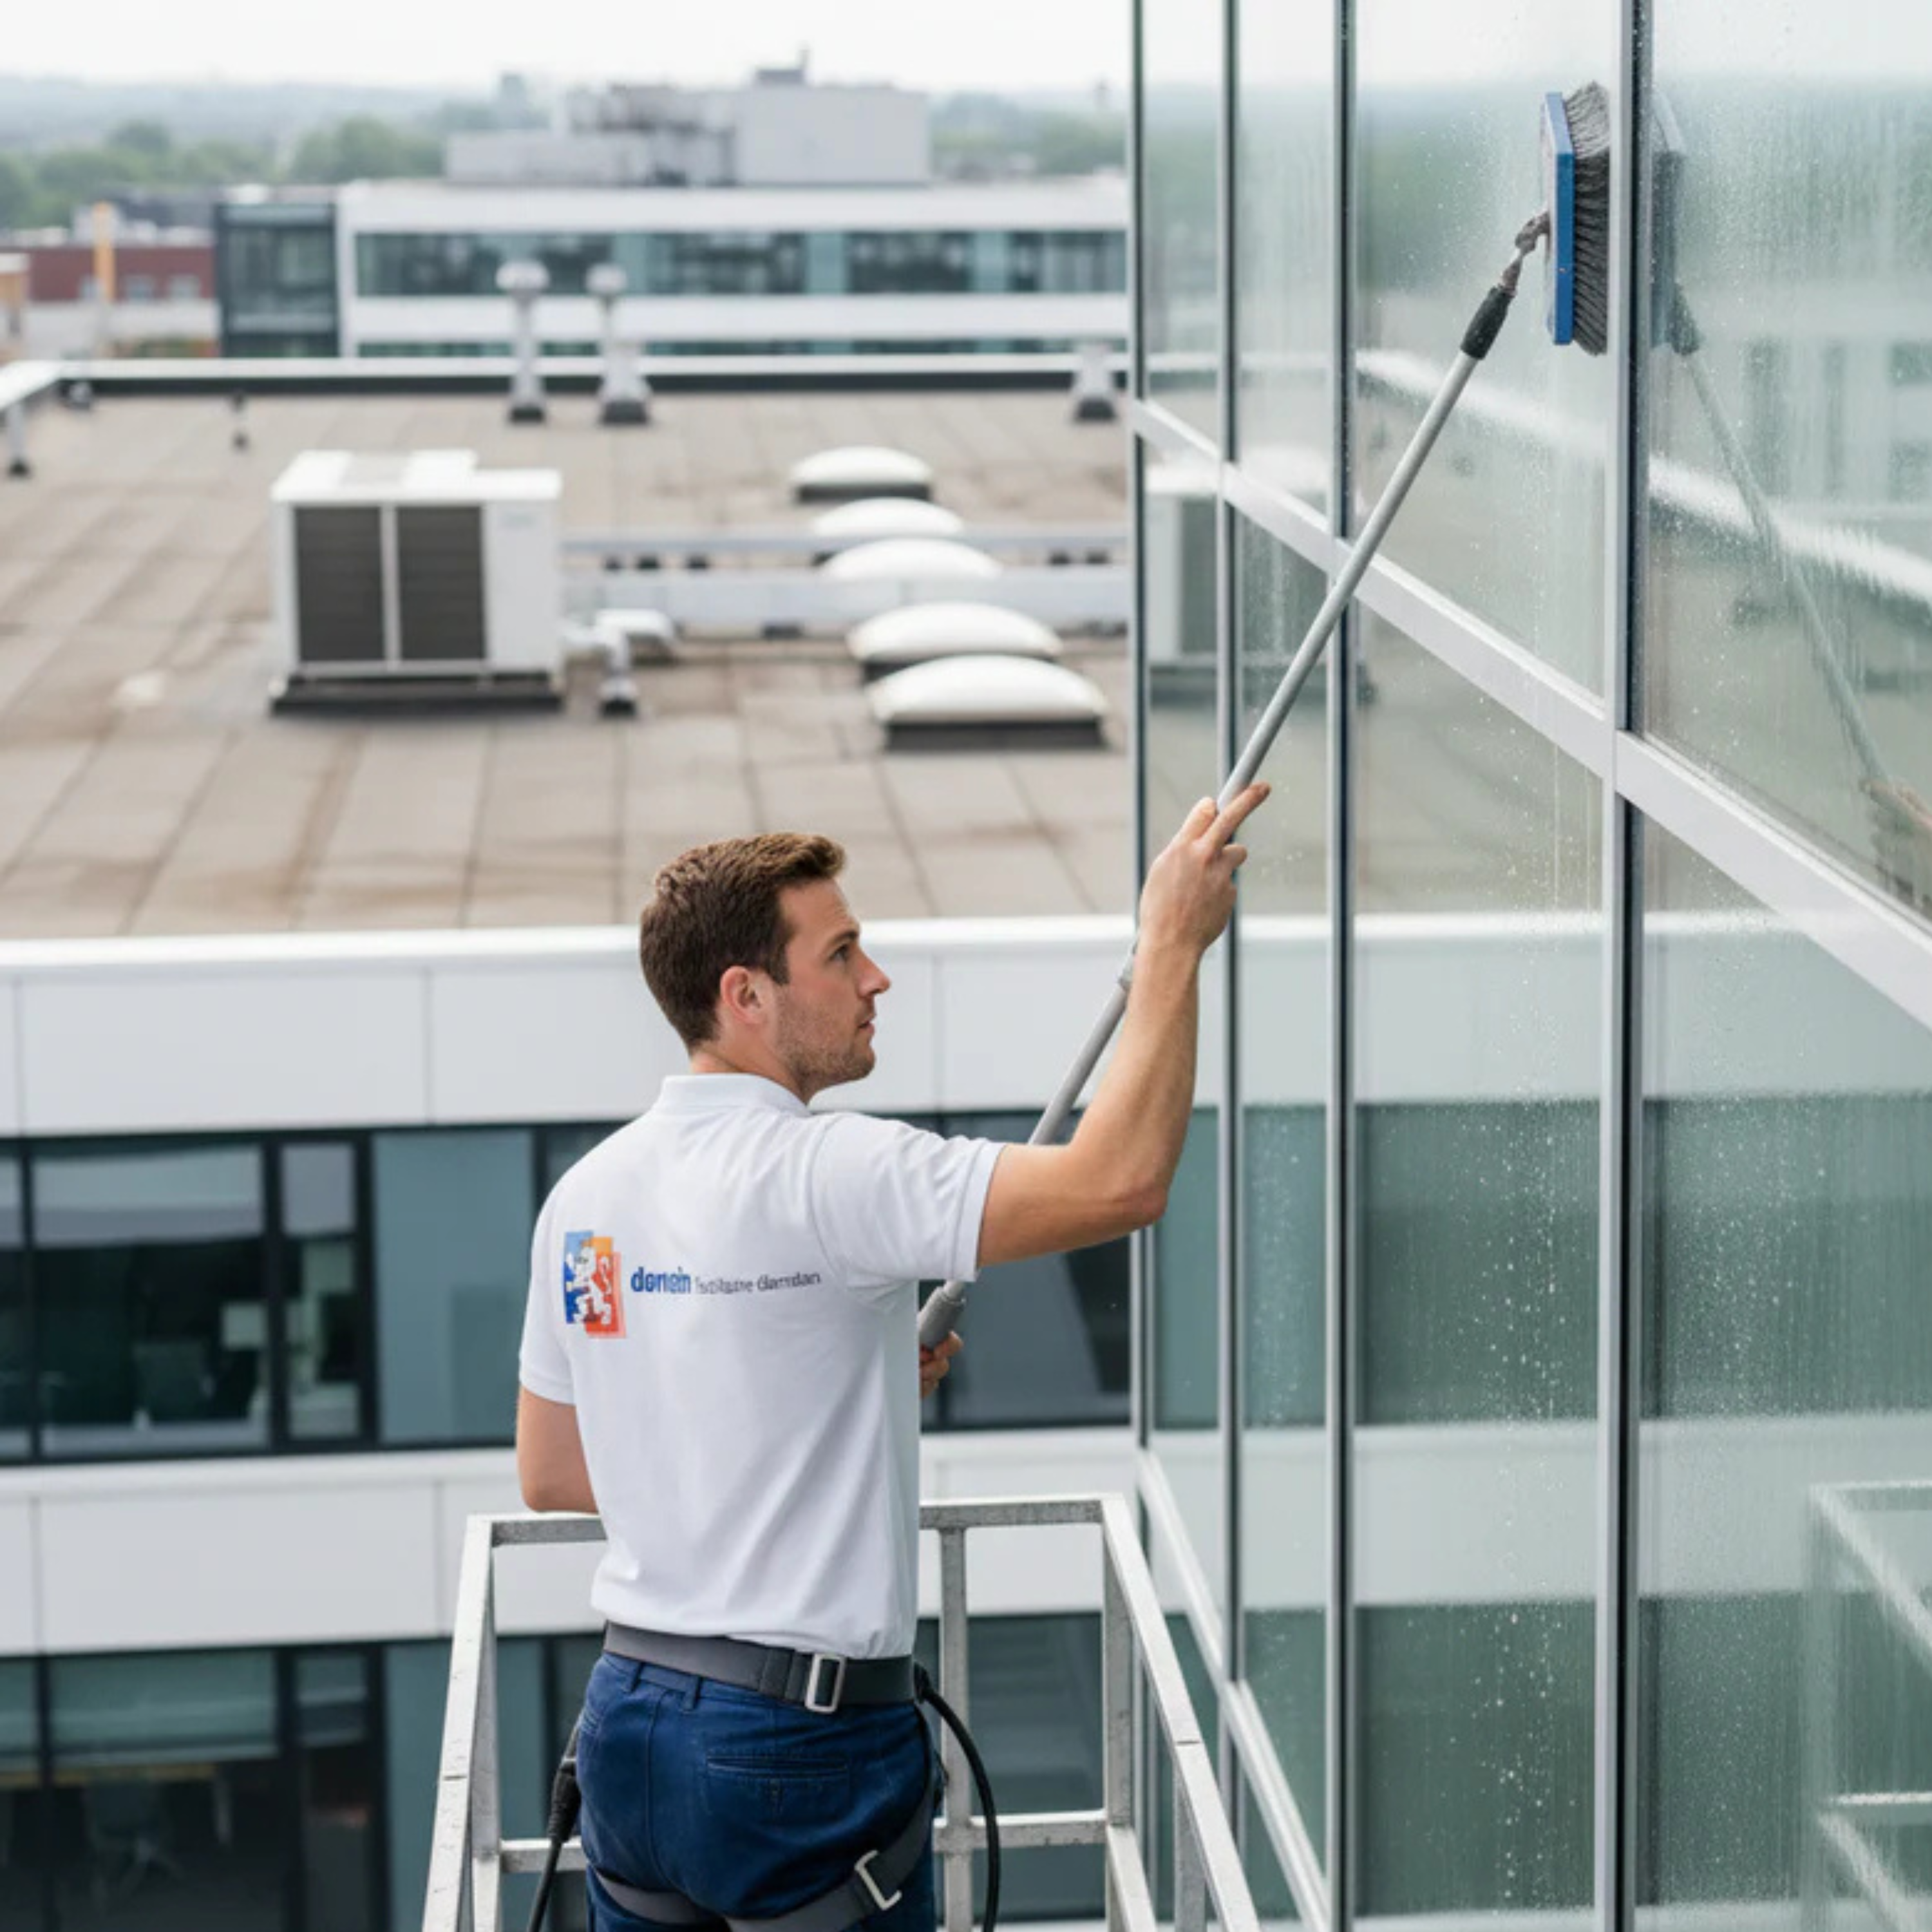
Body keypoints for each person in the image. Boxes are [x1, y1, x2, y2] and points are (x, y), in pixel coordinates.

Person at [516, 785, 1266, 1932]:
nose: (876, 980)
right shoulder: (832, 1175)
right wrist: (1170, 943)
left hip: (631, 1729)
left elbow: (558, 1471)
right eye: (844, 952)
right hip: (791, 1745)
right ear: (746, 996)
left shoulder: (588, 1201)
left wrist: (823, 1389)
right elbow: (1121, 1181)